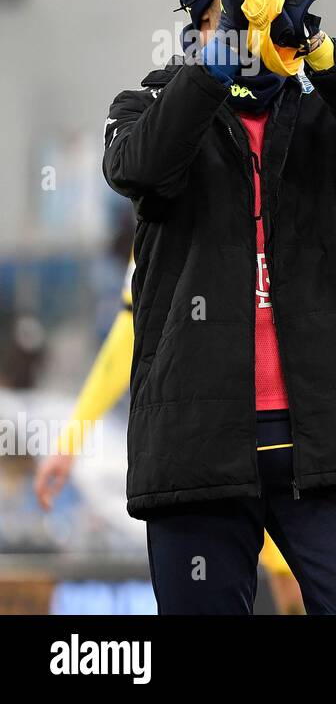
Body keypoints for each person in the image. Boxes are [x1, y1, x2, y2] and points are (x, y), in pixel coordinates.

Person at [100, 0, 336, 614]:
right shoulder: (147, 105)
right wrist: (222, 54)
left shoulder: (318, 115)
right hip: (199, 449)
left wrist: (319, 46)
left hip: (329, 443)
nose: (252, 14)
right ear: (199, 11)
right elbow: (142, 170)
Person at [34, 259, 306, 613]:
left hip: (287, 433)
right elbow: (129, 330)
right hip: (205, 446)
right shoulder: (156, 218)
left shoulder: (283, 210)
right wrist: (71, 440)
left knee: (293, 585)